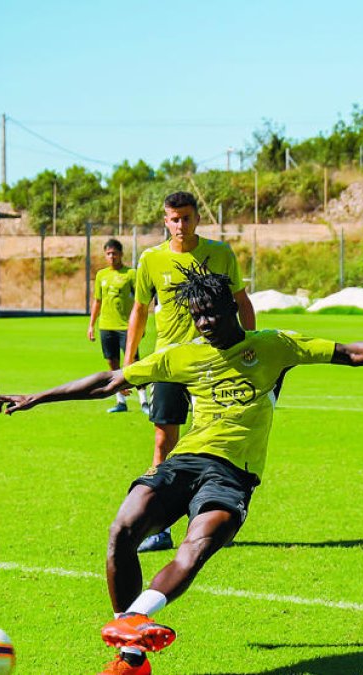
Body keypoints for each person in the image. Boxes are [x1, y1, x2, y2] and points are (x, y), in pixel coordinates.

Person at [0, 261, 363, 675]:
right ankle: (131, 650)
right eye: (197, 317)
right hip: (183, 462)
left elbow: (348, 354)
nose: (204, 324)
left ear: (231, 310)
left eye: (210, 315)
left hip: (233, 475)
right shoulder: (184, 356)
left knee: (197, 545)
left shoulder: (272, 345)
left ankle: (133, 624)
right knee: (121, 531)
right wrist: (35, 397)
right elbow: (110, 381)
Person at [124, 191, 256, 552]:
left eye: (186, 217)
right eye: (173, 219)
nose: (180, 225)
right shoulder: (151, 260)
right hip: (170, 362)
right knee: (163, 441)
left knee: (216, 441)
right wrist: (129, 359)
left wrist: (249, 346)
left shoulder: (222, 254)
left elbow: (241, 301)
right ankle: (159, 528)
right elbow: (139, 310)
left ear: (198, 218)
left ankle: (216, 516)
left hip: (216, 362)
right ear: (165, 221)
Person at [89, 239, 147, 414]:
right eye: (108, 253)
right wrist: (91, 325)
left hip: (126, 327)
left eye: (114, 253)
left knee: (134, 364)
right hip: (106, 326)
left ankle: (144, 401)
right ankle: (120, 401)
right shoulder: (101, 275)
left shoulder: (131, 274)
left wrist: (140, 326)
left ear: (121, 254)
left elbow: (141, 301)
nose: (111, 257)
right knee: (112, 363)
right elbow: (97, 301)